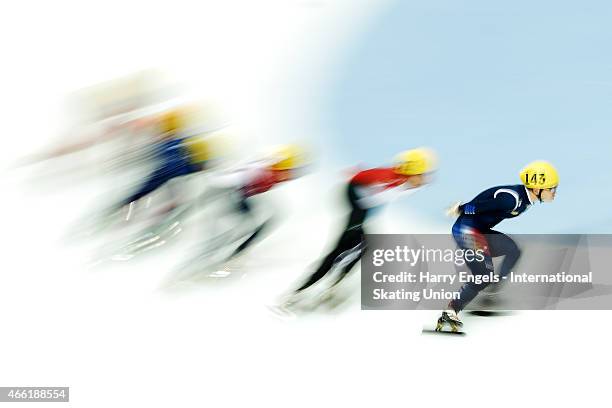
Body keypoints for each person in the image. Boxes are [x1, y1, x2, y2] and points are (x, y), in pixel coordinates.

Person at [283, 147, 438, 305]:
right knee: (339, 250)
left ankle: (332, 285)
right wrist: (358, 216)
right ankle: (299, 291)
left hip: (362, 208)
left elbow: (373, 189)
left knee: (365, 246)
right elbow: (359, 181)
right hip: (355, 201)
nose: (425, 179)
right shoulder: (391, 178)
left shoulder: (405, 182)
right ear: (411, 170)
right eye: (422, 175)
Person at [436, 161, 559, 332]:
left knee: (513, 250)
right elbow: (479, 207)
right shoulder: (512, 200)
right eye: (551, 188)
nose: (554, 192)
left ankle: (490, 290)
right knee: (483, 275)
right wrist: (460, 208)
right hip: (466, 231)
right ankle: (451, 311)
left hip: (480, 231)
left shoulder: (524, 200)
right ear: (537, 188)